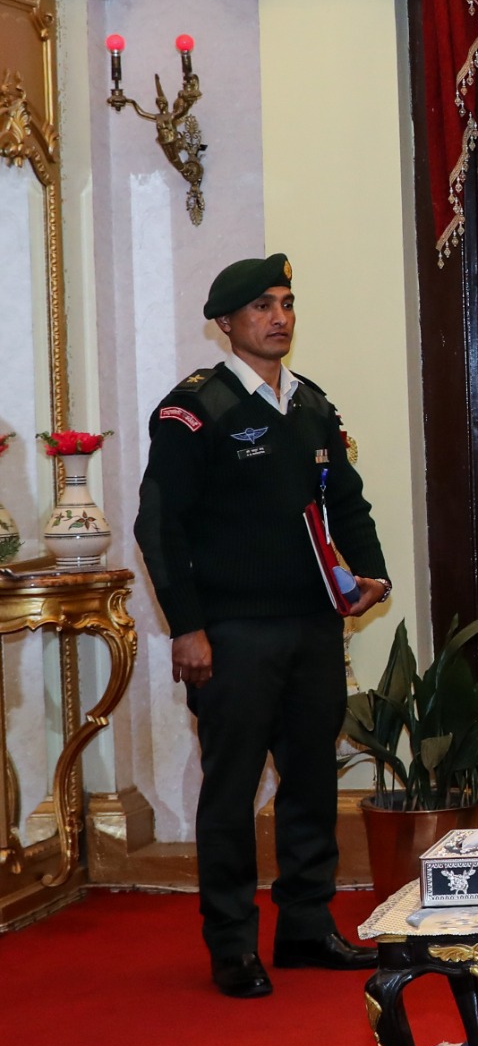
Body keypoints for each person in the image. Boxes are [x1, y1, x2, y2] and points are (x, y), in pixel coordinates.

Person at [134, 254, 391, 999]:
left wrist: (371, 572)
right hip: (233, 634)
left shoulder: (310, 404)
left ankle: (306, 927)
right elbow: (160, 527)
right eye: (261, 307)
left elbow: (345, 500)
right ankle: (232, 945)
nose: (279, 318)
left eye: (286, 303)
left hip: (312, 626)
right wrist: (188, 628)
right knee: (233, 789)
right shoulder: (196, 410)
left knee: (310, 781)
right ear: (225, 323)